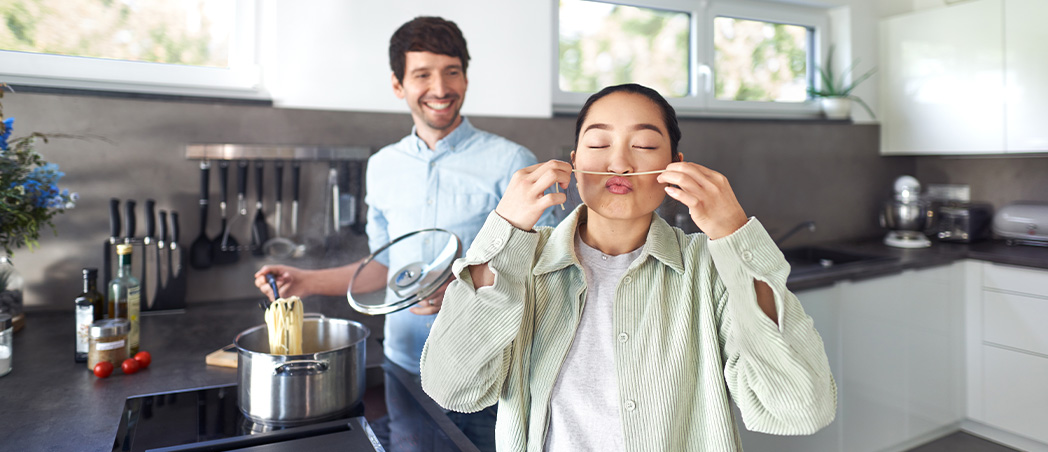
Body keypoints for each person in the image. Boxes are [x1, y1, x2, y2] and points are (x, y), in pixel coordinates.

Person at [420, 83, 837, 451]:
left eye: (644, 146)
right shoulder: (520, 262)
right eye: (598, 145)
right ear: (574, 160)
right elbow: (453, 387)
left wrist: (735, 235)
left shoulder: (708, 269)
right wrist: (505, 231)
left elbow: (799, 409)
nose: (618, 164)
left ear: (675, 162)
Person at [254, 16, 551, 451]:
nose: (440, 87)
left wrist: (465, 287)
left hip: (485, 369)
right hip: (404, 365)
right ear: (399, 85)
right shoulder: (383, 166)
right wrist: (306, 280)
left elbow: (546, 268)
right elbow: (386, 266)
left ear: (466, 77)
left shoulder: (512, 162)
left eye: (452, 71)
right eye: (423, 74)